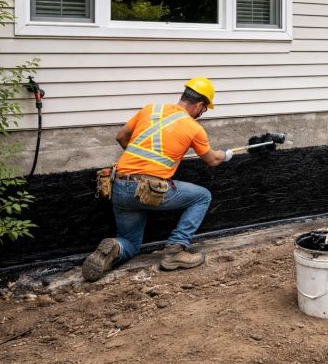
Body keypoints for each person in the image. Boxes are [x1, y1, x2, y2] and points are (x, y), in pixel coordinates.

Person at [82, 76, 233, 282]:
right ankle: (174, 252)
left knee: (131, 243)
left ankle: (115, 248)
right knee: (202, 196)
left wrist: (141, 160)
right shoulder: (193, 128)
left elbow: (121, 137)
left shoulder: (150, 109)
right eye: (204, 109)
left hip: (119, 184)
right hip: (150, 190)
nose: (201, 114)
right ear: (199, 105)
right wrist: (226, 154)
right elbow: (212, 160)